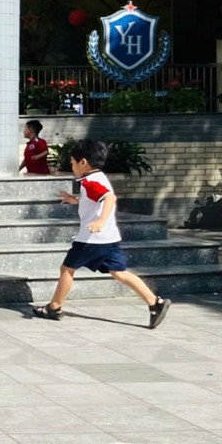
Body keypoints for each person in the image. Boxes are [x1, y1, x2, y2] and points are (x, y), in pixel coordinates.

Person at [32, 139, 171, 329]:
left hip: (91, 239)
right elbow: (96, 199)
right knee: (119, 272)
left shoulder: (89, 181)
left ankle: (54, 307)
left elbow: (109, 198)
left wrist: (100, 221)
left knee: (67, 269)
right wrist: (76, 200)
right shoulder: (98, 177)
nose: (71, 166)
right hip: (109, 238)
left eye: (72, 162)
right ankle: (155, 303)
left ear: (83, 162)